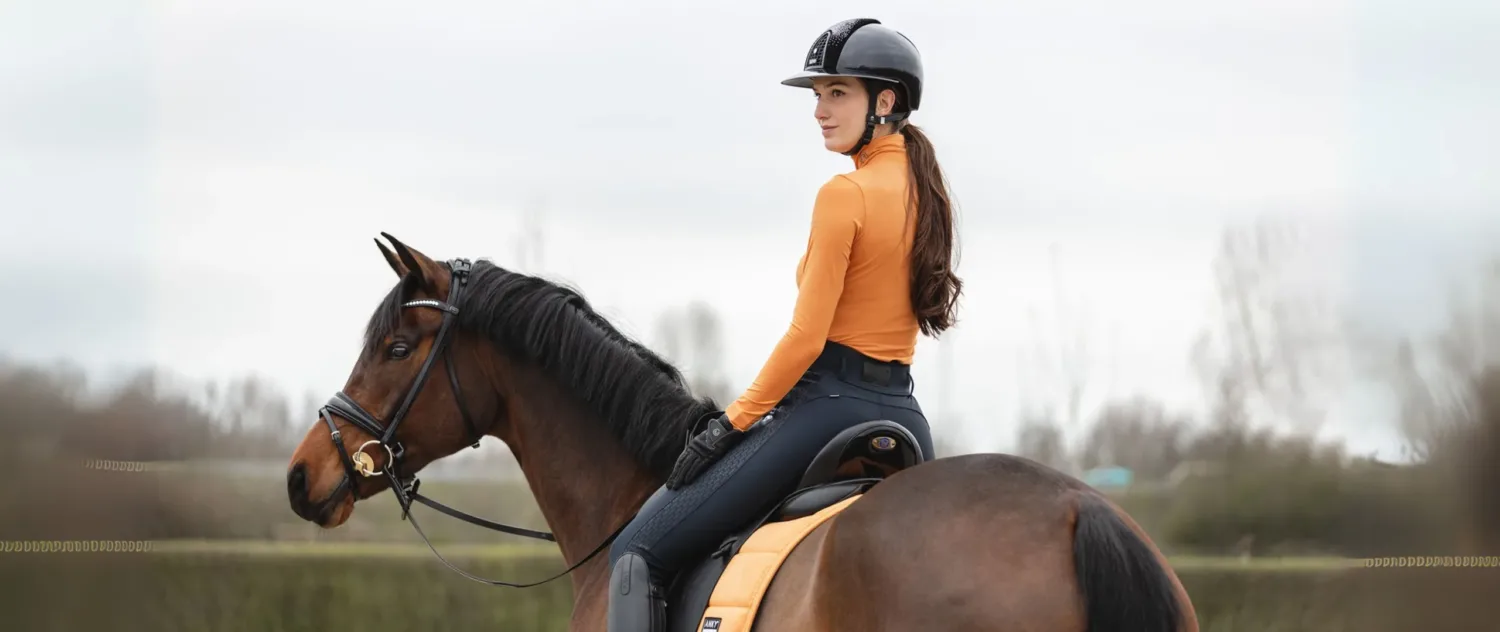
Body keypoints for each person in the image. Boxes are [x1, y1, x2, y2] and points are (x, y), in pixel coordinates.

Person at [606, 17, 962, 632]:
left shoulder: (843, 195)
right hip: (903, 417)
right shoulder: (926, 192)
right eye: (818, 96)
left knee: (637, 553)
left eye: (837, 94)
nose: (820, 111)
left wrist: (729, 426)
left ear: (886, 101)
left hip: (826, 407)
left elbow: (806, 338)